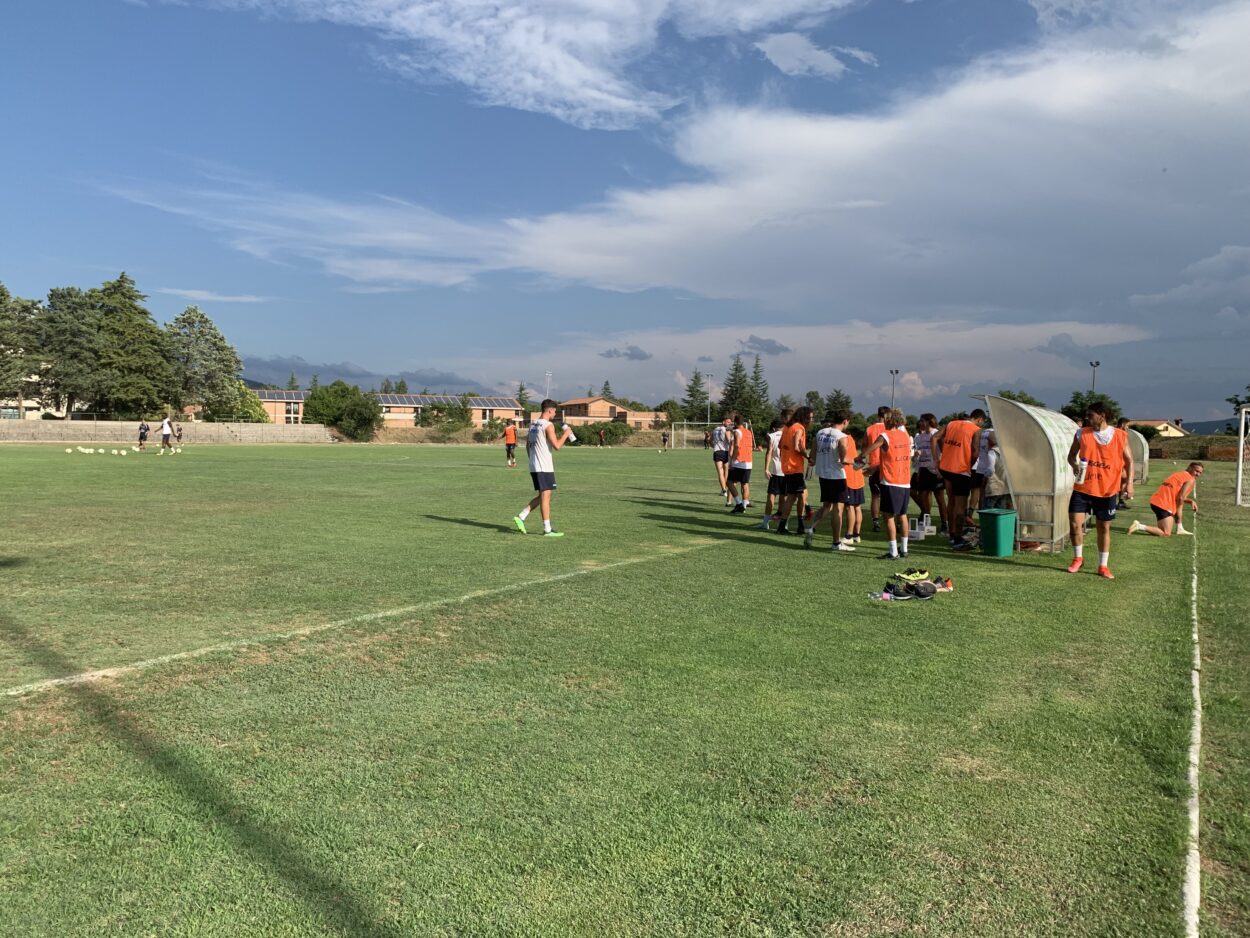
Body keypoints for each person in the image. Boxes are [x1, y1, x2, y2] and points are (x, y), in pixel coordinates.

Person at [1066, 401, 1133, 578]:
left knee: (1103, 528)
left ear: (1102, 415)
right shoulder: (1081, 433)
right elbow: (1071, 456)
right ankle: (1078, 558)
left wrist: (1130, 483)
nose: (1087, 418)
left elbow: (1129, 461)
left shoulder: (1119, 435)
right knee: (1074, 524)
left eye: (1090, 415)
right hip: (1083, 487)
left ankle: (1103, 566)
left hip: (1107, 490)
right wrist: (1075, 466)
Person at [513, 399, 573, 537]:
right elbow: (557, 446)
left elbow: (528, 446)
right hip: (544, 466)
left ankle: (522, 516)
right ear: (550, 410)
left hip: (534, 465)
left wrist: (532, 460)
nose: (555, 414)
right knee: (546, 497)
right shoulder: (548, 425)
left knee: (543, 495)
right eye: (555, 411)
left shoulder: (533, 424)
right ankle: (547, 529)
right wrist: (566, 434)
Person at [859, 409, 913, 559]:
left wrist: (860, 456)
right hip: (905, 480)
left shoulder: (886, 435)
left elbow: (873, 447)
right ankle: (905, 549)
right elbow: (893, 456)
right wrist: (874, 468)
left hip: (891, 480)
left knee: (888, 516)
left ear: (888, 420)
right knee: (902, 515)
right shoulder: (904, 436)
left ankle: (893, 551)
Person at [932, 409, 986, 551]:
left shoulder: (951, 423)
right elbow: (975, 451)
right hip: (961, 470)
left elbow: (934, 438)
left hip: (946, 468)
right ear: (980, 419)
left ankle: (951, 533)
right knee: (961, 506)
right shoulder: (976, 430)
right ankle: (957, 538)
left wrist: (936, 459)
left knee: (951, 502)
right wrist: (970, 463)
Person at [804, 411, 855, 552]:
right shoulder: (842, 436)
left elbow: (812, 457)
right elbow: (844, 459)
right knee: (838, 509)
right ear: (845, 421)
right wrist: (858, 462)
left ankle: (811, 528)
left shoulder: (820, 433)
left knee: (827, 506)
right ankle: (836, 543)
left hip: (823, 475)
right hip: (836, 476)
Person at [1128, 462, 1202, 538]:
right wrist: (1179, 520)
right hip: (1164, 505)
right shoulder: (1190, 479)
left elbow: (1177, 495)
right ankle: (1139, 526)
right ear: (1190, 468)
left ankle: (1179, 529)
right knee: (1166, 533)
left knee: (1161, 530)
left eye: (1200, 472)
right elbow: (1180, 499)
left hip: (1155, 502)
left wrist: (1190, 501)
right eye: (1196, 471)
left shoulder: (1177, 474)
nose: (1198, 474)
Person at [774, 407, 813, 535]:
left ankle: (798, 524)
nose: (811, 420)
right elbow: (797, 446)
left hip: (787, 466)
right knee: (792, 497)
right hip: (795, 467)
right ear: (804, 417)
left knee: (800, 495)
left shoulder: (787, 427)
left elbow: (780, 445)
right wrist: (807, 456)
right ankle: (784, 525)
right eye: (810, 417)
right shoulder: (799, 428)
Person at [910, 414, 947, 531]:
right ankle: (926, 520)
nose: (920, 423)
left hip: (936, 470)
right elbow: (918, 454)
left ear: (929, 421)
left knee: (939, 498)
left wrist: (940, 469)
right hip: (924, 469)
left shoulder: (936, 433)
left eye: (922, 421)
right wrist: (918, 466)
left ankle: (944, 523)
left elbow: (944, 451)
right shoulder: (919, 437)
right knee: (923, 496)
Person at [757, 418, 786, 531]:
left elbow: (769, 452)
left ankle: (765, 522)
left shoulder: (772, 436)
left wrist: (766, 469)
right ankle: (784, 523)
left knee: (771, 496)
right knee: (784, 497)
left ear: (774, 428)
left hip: (775, 470)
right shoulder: (788, 435)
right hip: (787, 471)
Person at [865, 406, 890, 532]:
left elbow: (865, 446)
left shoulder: (869, 429)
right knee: (889, 494)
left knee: (876, 496)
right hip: (887, 466)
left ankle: (876, 522)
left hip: (873, 465)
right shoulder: (889, 429)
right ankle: (892, 521)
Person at [841, 428, 867, 545]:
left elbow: (844, 458)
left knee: (849, 507)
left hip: (849, 477)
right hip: (858, 477)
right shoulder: (852, 439)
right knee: (857, 507)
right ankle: (857, 535)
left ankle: (849, 535)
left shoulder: (844, 439)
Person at [726, 415, 753, 513]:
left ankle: (738, 503)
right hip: (748, 461)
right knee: (745, 484)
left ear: (735, 422)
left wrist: (732, 460)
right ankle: (744, 506)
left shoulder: (737, 432)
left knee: (729, 482)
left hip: (739, 461)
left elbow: (737, 445)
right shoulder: (748, 432)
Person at [980, 432, 1012, 510]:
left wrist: (984, 477)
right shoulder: (1007, 451)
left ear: (991, 441)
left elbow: (990, 470)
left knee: (988, 510)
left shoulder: (992, 452)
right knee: (1001, 511)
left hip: (993, 488)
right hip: (1004, 488)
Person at [711, 416, 733, 501]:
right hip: (725, 452)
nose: (729, 424)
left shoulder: (714, 429)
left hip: (717, 452)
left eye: (730, 422)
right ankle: (725, 489)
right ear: (723, 422)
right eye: (728, 422)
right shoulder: (726, 430)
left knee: (720, 472)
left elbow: (710, 441)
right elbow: (728, 440)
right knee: (725, 471)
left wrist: (715, 446)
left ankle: (723, 490)